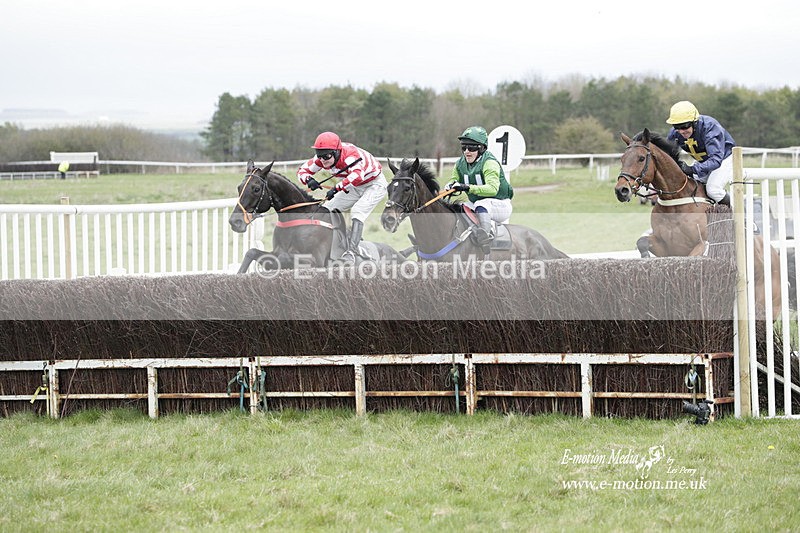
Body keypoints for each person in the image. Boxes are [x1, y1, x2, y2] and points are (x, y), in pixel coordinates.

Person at [297, 131, 388, 262]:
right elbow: (301, 171)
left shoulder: (350, 155)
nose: (323, 160)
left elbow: (357, 176)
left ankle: (352, 251)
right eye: (320, 156)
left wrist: (337, 188)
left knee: (358, 211)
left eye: (326, 156)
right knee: (327, 209)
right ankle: (335, 243)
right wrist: (308, 179)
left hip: (374, 184)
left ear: (336, 152)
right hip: (355, 185)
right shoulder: (322, 158)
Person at [444, 126, 513, 253]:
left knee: (482, 204)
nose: (467, 151)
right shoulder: (460, 163)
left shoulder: (489, 163)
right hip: (476, 204)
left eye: (471, 148)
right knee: (459, 207)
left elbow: (492, 189)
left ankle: (485, 239)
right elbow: (454, 179)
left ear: (481, 148)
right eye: (464, 147)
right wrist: (449, 186)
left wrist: (467, 187)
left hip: (500, 205)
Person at [666, 100, 735, 205]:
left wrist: (692, 169)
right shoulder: (674, 134)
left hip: (725, 158)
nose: (681, 131)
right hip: (705, 161)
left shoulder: (710, 128)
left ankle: (741, 215)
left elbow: (716, 160)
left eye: (684, 126)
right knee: (690, 186)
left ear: (695, 122)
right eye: (676, 127)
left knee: (713, 190)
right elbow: (667, 156)